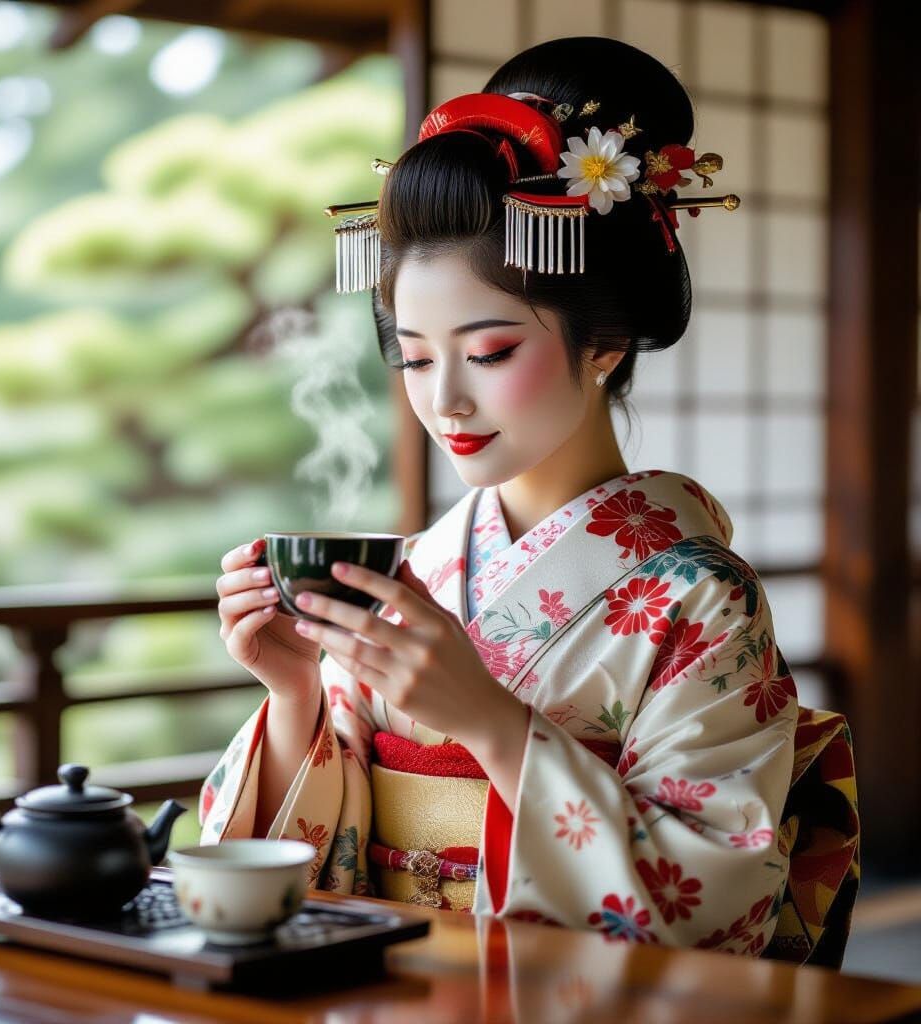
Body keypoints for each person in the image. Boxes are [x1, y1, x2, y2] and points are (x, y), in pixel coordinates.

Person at [201, 36, 802, 954]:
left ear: (603, 343)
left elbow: (719, 901)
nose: (444, 400)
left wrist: (488, 724)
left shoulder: (701, 601)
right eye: (414, 356)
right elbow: (310, 863)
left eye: (488, 353)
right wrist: (294, 697)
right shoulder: (420, 569)